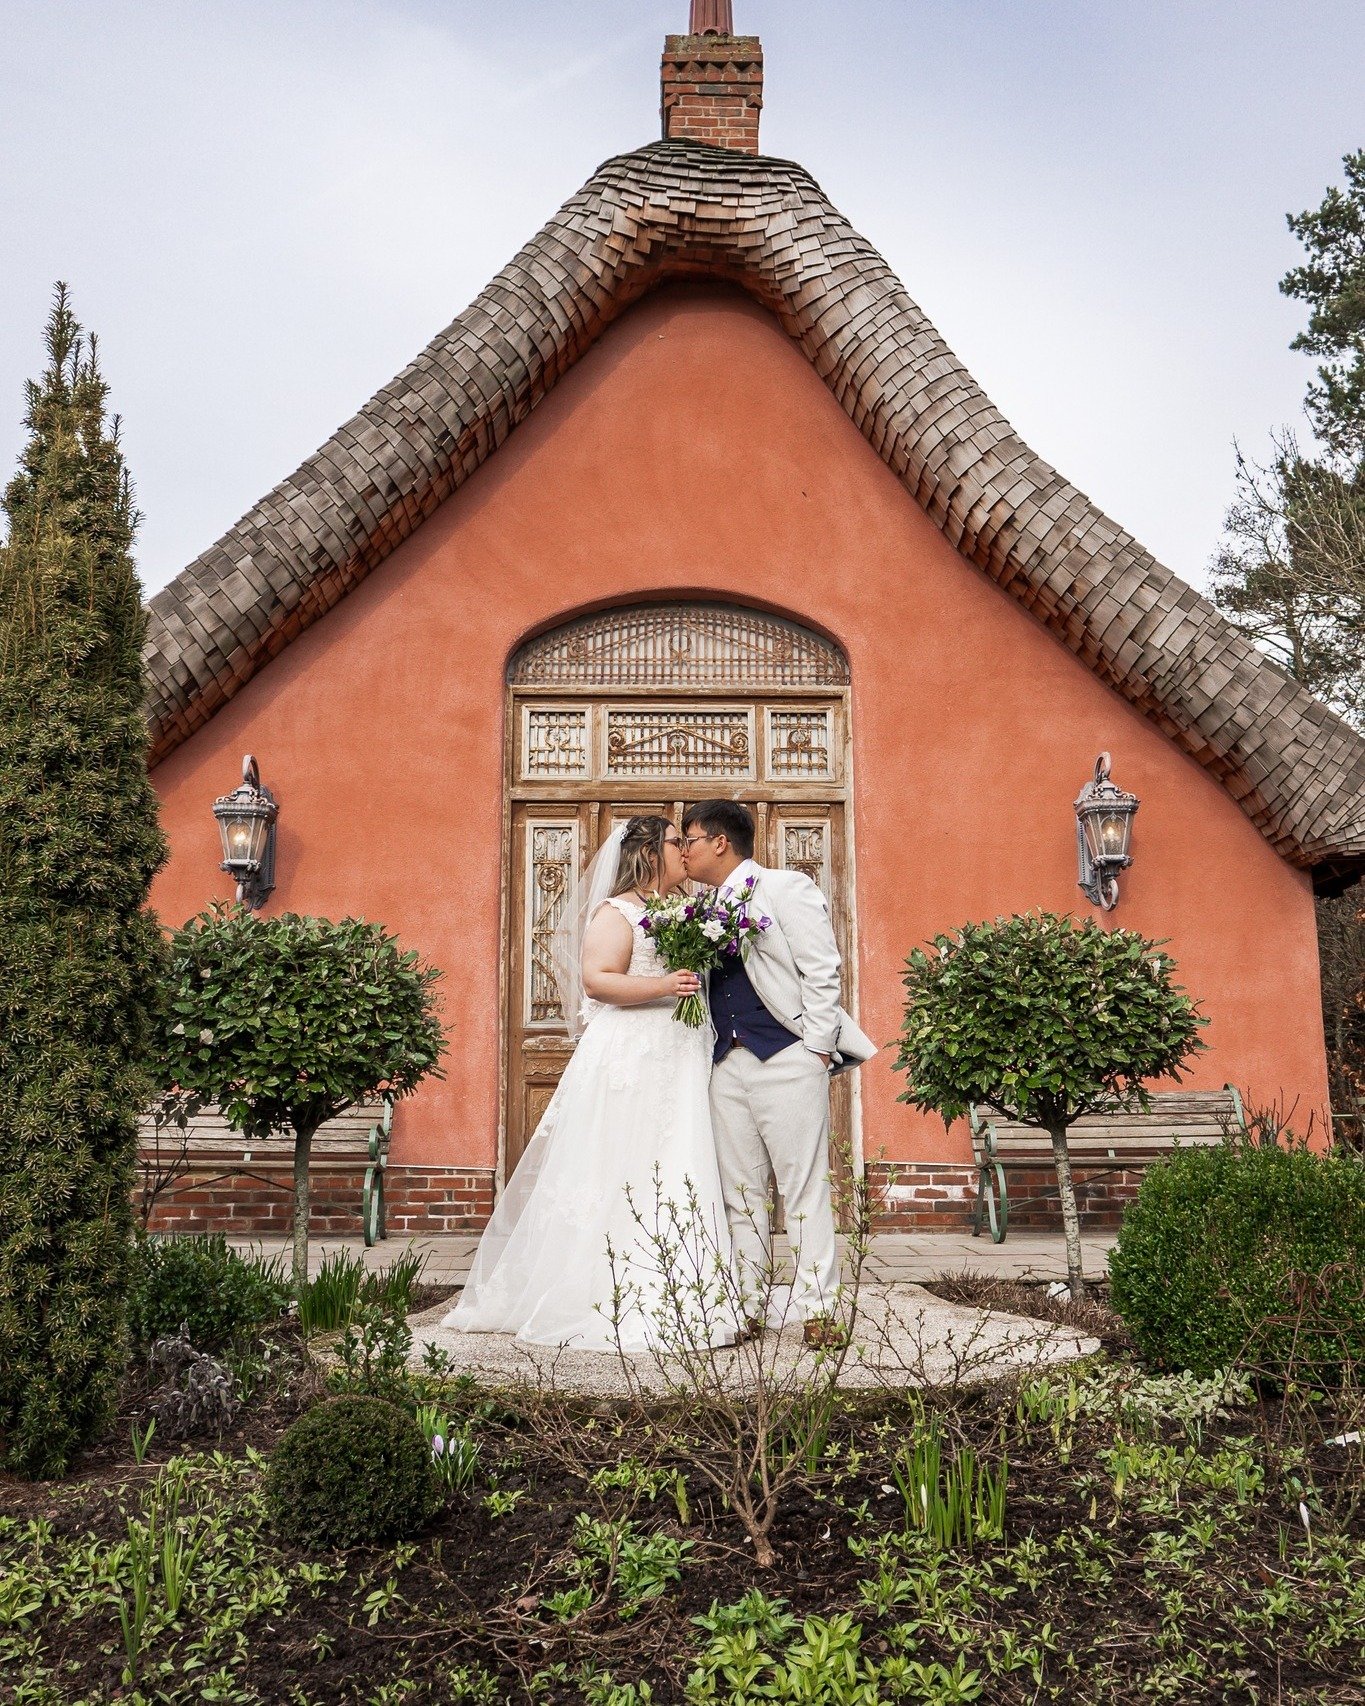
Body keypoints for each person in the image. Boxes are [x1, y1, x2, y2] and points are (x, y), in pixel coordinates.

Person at [445, 816, 735, 1350]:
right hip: (633, 1052)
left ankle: (687, 1288)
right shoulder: (617, 910)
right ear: (649, 852)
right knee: (624, 1160)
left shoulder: (677, 911)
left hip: (677, 1052)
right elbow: (597, 979)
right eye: (676, 842)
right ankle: (605, 1288)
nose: (685, 850)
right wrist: (666, 984)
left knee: (673, 1159)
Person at [681, 799, 877, 1346]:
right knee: (739, 1192)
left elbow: (822, 967)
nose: (685, 850)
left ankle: (819, 1310)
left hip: (787, 1057)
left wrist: (815, 1048)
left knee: (803, 1187)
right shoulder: (698, 907)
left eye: (690, 839)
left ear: (720, 842)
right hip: (726, 1062)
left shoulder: (783, 887)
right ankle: (748, 1304)